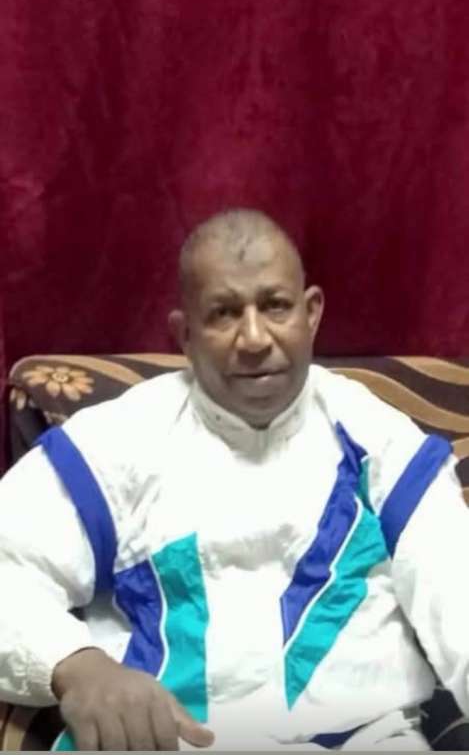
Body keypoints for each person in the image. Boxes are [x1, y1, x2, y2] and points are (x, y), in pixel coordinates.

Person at [0, 208, 469, 752]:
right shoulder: (116, 443)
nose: (254, 338)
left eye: (275, 306)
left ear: (311, 313)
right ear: (185, 333)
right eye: (224, 313)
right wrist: (76, 665)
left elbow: (456, 592)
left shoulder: (382, 442)